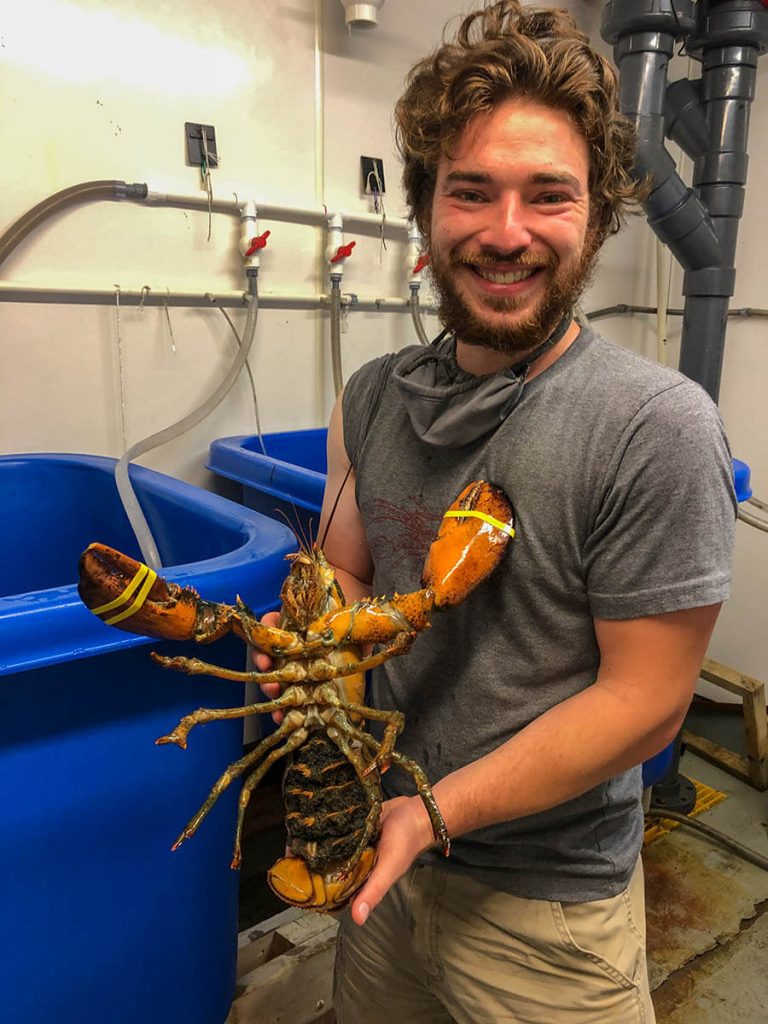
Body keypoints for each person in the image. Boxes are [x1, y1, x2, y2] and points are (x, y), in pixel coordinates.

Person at [261, 3, 736, 1021]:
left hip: (548, 912)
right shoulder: (372, 396)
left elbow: (645, 700)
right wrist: (311, 634)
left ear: (599, 218)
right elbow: (347, 568)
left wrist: (434, 812)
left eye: (548, 196)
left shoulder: (656, 426)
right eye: (471, 192)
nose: (506, 233)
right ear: (426, 213)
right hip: (378, 863)